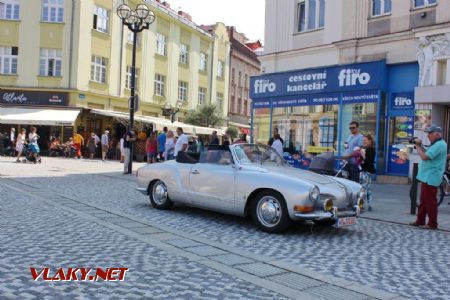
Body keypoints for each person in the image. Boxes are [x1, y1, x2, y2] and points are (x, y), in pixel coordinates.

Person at [409, 125, 447, 230]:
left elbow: (425, 157)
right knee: (424, 200)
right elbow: (427, 153)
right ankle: (420, 220)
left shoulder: (439, 145)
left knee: (430, 201)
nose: (428, 135)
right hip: (427, 176)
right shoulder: (436, 144)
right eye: (428, 133)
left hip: (431, 176)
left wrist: (417, 146)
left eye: (430, 133)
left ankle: (432, 223)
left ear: (437, 134)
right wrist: (419, 145)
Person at [360, 134, 376, 211]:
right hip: (364, 170)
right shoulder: (365, 149)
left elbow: (369, 161)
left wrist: (363, 155)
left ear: (370, 141)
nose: (364, 142)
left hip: (367, 171)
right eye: (363, 140)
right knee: (367, 188)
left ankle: (361, 205)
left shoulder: (371, 150)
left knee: (363, 188)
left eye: (365, 140)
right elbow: (361, 161)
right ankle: (370, 205)